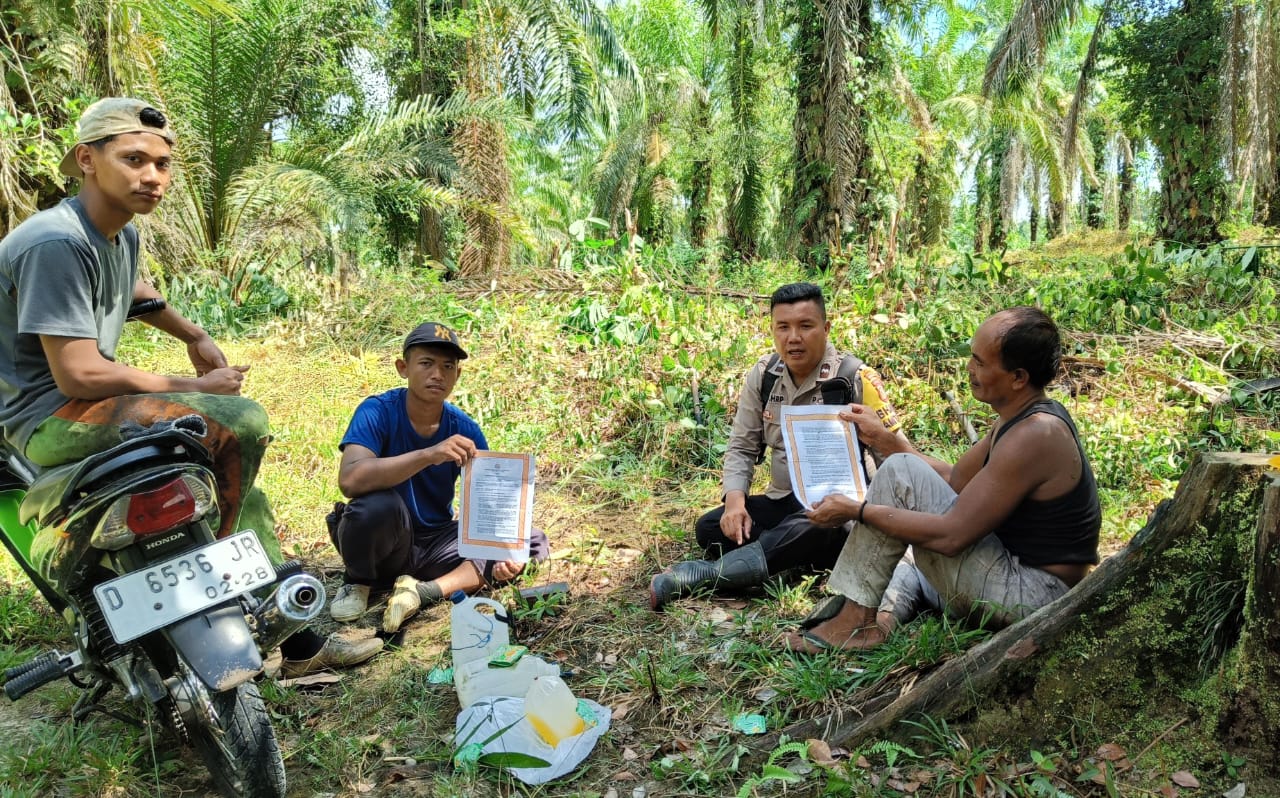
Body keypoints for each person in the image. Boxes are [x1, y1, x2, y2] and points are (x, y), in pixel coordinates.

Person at [0, 97, 381, 677]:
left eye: (162, 164)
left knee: (239, 480)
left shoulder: (116, 234)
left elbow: (132, 289)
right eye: (133, 159)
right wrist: (199, 384)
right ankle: (233, 582)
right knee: (239, 422)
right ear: (87, 160)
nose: (153, 176)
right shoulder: (53, 242)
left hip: (85, 404)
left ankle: (294, 639)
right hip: (50, 416)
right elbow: (79, 373)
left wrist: (193, 333)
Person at [784, 306, 1101, 653]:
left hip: (1033, 595)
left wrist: (856, 510)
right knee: (904, 551)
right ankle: (882, 620)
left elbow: (952, 537)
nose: (970, 368)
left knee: (900, 485)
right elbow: (955, 480)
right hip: (1008, 573)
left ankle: (855, 621)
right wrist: (886, 441)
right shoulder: (1019, 418)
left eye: (980, 362)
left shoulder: (1035, 433)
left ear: (1018, 378)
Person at [649, 282, 907, 610]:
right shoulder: (765, 375)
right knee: (711, 528)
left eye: (805, 326)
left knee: (818, 525)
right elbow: (741, 446)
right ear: (773, 329)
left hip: (843, 511)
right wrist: (734, 503)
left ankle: (710, 575)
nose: (793, 337)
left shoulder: (855, 378)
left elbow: (899, 459)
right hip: (785, 500)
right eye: (783, 327)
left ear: (826, 328)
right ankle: (788, 554)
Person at [327, 322, 550, 631]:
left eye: (448, 366)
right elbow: (350, 480)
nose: (438, 374)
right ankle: (357, 583)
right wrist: (428, 455)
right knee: (377, 506)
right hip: (383, 543)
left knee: (529, 542)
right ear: (403, 368)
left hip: (435, 544)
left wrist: (502, 556)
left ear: (458, 375)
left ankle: (421, 592)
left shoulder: (465, 429)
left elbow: (490, 504)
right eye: (426, 363)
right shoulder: (377, 411)